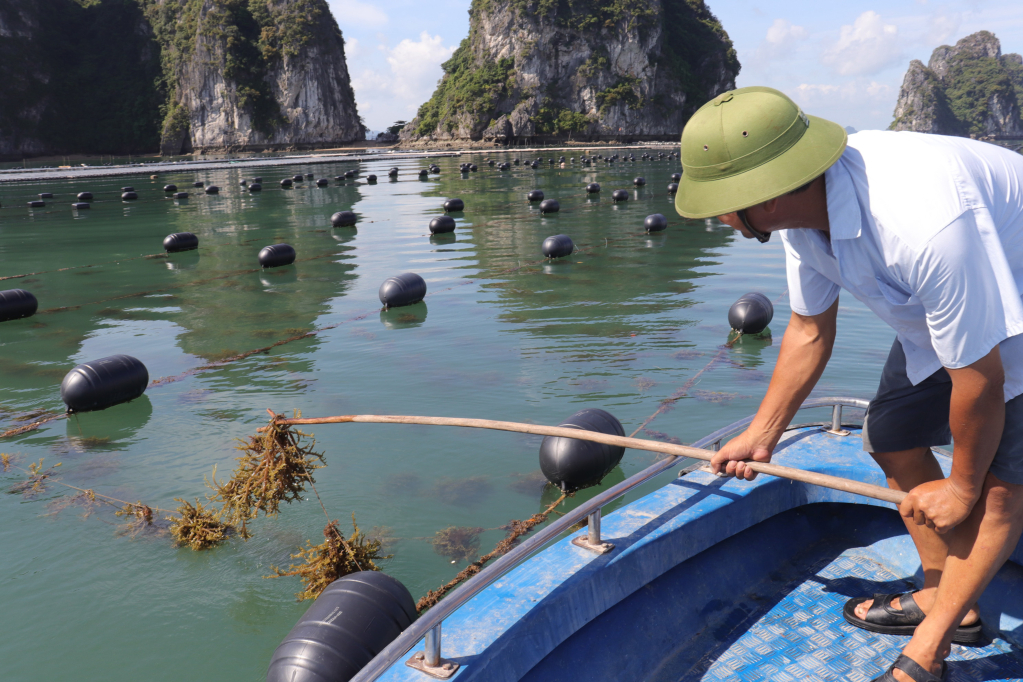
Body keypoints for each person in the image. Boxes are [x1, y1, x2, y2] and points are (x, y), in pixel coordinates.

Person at [674, 86, 1023, 682]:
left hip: (1011, 305)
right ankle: (947, 598)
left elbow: (982, 378)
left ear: (771, 196)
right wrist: (762, 435)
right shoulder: (802, 223)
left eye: (725, 204)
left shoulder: (922, 221)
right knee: (891, 433)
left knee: (998, 488)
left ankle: (928, 652)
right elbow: (809, 330)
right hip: (943, 320)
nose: (719, 217)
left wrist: (961, 487)